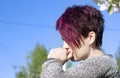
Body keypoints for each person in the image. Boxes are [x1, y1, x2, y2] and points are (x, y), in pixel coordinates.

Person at [40, 5, 119, 78]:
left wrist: (53, 60)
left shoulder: (102, 63)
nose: (65, 46)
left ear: (90, 37)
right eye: (64, 40)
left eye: (69, 38)